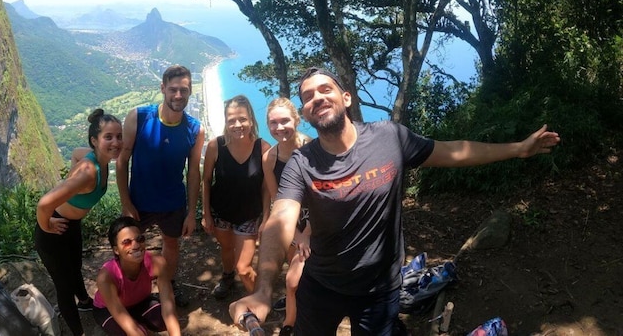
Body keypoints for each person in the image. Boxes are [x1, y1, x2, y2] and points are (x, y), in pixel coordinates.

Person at [231, 67, 560, 336]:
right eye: (307, 96)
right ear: (304, 111)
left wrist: (518, 149)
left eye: (324, 89)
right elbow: (280, 220)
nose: (316, 97)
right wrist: (263, 288)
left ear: (346, 97)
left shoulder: (389, 137)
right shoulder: (302, 162)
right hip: (321, 285)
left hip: (379, 289)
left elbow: (454, 151)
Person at [116, 64, 205, 307]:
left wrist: (190, 213)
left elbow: (194, 172)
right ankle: (131, 288)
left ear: (190, 91)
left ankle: (167, 284)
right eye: (173, 89)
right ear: (163, 88)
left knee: (171, 243)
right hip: (139, 202)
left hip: (173, 203)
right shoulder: (140, 117)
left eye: (184, 90)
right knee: (129, 245)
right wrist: (126, 203)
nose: (178, 96)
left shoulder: (195, 129)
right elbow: (122, 161)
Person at [35, 109, 123, 336]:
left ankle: (84, 301)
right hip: (52, 232)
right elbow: (44, 204)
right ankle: (78, 333)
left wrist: (70, 183)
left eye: (118, 136)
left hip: (71, 225)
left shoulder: (96, 159)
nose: (116, 142)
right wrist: (47, 226)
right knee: (63, 287)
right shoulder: (87, 173)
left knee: (74, 267)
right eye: (108, 137)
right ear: (95, 141)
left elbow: (75, 153)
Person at [202, 95, 270, 299]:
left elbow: (266, 187)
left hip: (249, 215)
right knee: (227, 249)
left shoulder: (263, 148)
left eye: (242, 119)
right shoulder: (216, 146)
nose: (237, 124)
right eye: (232, 120)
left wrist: (266, 217)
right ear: (226, 121)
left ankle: (260, 299)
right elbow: (206, 180)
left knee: (244, 267)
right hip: (221, 211)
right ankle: (227, 277)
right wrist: (206, 213)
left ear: (251, 120)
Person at [261, 98, 312, 336]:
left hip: (319, 223)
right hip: (292, 225)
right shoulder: (269, 158)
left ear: (297, 120)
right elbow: (276, 201)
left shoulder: (312, 149)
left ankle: (300, 322)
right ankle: (290, 325)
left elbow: (324, 198)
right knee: (293, 282)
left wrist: (308, 233)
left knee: (301, 279)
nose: (279, 128)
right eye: (273, 123)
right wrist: (297, 234)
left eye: (285, 121)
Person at [92, 216, 182, 336]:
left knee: (163, 322)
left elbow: (169, 308)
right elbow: (132, 330)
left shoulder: (158, 263)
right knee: (137, 332)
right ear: (116, 250)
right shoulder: (106, 277)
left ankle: (138, 321)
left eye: (139, 239)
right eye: (126, 242)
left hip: (139, 302)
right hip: (108, 310)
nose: (135, 245)